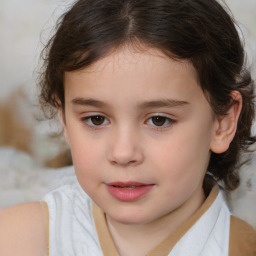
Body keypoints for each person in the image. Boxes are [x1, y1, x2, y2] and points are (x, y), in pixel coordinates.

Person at [1, 0, 256, 255]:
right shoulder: (18, 239)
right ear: (64, 119)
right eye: (96, 119)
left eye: (159, 120)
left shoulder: (242, 248)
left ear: (222, 122)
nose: (123, 154)